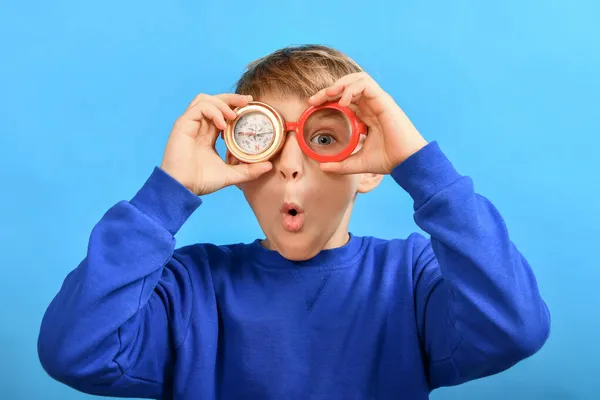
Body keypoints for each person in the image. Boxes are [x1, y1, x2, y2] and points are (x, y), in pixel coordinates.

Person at [37, 44, 550, 399]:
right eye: (263, 139)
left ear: (368, 167)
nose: (289, 163)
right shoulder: (188, 287)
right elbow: (75, 353)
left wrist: (419, 166)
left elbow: (514, 328)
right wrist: (166, 193)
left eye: (323, 138)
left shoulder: (411, 279)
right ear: (237, 165)